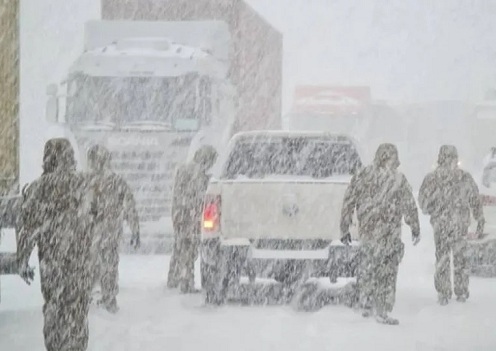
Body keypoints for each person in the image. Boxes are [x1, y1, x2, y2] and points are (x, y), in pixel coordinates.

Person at [17, 138, 94, 351]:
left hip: (52, 263)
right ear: (71, 157)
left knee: (54, 308)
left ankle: (56, 346)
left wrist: (22, 260)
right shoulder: (84, 184)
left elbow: (28, 229)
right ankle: (76, 346)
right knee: (77, 311)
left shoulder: (37, 188)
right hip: (80, 264)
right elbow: (94, 219)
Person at [340, 143, 420, 325]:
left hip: (370, 232)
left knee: (370, 267)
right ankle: (382, 307)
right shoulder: (398, 179)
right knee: (387, 271)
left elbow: (349, 201)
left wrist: (345, 227)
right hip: (389, 233)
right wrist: (414, 226)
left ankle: (368, 302)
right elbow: (409, 205)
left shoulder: (363, 175)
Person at [419, 145, 484, 305]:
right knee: (457, 259)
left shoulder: (434, 178)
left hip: (445, 225)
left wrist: (434, 210)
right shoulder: (462, 178)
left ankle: (445, 292)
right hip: (456, 224)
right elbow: (475, 199)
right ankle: (457, 291)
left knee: (444, 259)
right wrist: (479, 217)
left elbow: (423, 201)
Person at [87, 144, 140, 313]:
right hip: (110, 231)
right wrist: (135, 229)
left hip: (92, 233)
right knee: (109, 264)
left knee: (92, 265)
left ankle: (90, 297)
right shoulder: (117, 181)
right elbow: (129, 206)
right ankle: (109, 298)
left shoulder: (85, 181)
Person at [167, 145, 218, 293]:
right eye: (211, 161)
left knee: (179, 246)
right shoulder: (198, 174)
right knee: (189, 249)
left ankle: (173, 277)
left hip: (179, 214)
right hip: (190, 216)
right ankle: (186, 282)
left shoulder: (183, 169)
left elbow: (179, 194)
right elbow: (197, 197)